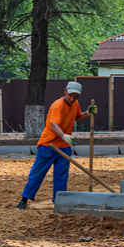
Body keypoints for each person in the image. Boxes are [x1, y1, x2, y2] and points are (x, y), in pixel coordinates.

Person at [16, 81, 97, 210]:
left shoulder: (75, 103)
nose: (73, 99)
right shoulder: (57, 106)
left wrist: (87, 113)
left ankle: (58, 201)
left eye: (76, 97)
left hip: (64, 147)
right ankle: (24, 200)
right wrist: (64, 135)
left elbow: (77, 117)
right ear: (65, 91)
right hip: (48, 145)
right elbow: (54, 125)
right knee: (37, 174)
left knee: (61, 176)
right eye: (71, 95)